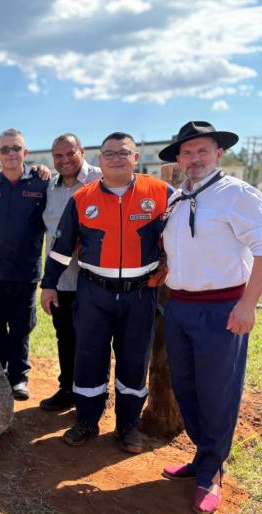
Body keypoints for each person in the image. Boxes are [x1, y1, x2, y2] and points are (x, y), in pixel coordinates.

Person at [40, 132, 171, 453]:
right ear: (99, 160)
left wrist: (169, 261)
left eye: (123, 153)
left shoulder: (161, 193)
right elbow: (61, 248)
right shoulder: (83, 198)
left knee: (134, 361)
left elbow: (181, 234)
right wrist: (48, 284)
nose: (115, 158)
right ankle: (86, 420)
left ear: (136, 158)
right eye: (109, 153)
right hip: (93, 293)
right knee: (88, 358)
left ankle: (127, 427)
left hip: (140, 295)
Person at [158, 121, 262, 514]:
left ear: (219, 153)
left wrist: (248, 304)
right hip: (180, 305)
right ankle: (203, 456)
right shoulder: (177, 198)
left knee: (218, 390)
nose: (194, 158)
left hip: (223, 307)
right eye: (187, 152)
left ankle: (212, 470)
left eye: (202, 150)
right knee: (186, 386)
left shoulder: (236, 194)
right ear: (179, 159)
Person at [0, 129, 48, 400]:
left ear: (25, 153)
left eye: (16, 148)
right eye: (5, 149)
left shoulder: (42, 184)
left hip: (24, 272)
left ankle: (18, 378)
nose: (11, 154)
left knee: (20, 327)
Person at [39, 133, 101, 411]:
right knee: (65, 336)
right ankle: (68, 389)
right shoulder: (49, 187)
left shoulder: (101, 178)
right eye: (58, 156)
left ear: (82, 150)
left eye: (70, 153)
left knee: (94, 339)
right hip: (61, 278)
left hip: (95, 279)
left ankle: (95, 394)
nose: (64, 160)